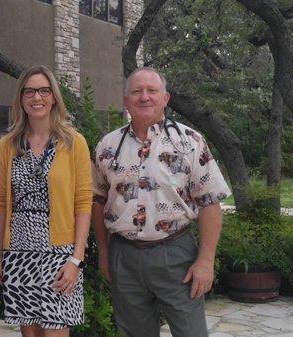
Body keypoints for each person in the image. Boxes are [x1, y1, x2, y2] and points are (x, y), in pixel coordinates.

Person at [91, 67, 231, 337]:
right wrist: (105, 255)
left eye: (152, 91)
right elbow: (97, 202)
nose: (144, 97)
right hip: (125, 255)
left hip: (175, 254)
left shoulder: (190, 142)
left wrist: (206, 260)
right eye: (137, 91)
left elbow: (210, 202)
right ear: (125, 100)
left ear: (165, 98)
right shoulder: (107, 146)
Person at [0, 65, 92, 337]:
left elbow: (84, 202)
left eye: (43, 90)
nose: (37, 97)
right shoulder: (8, 145)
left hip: (60, 256)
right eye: (29, 91)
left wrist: (76, 260)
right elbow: (2, 203)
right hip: (19, 253)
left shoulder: (73, 142)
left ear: (53, 97)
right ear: (21, 98)